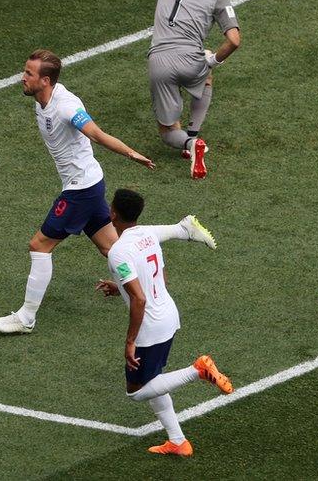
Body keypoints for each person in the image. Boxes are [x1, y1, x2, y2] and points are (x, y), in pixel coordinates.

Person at [0, 49, 216, 334]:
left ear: (45, 81)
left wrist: (132, 154)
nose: (23, 78)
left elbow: (97, 134)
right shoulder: (41, 99)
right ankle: (183, 230)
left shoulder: (66, 107)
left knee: (39, 246)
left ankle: (26, 318)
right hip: (88, 185)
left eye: (29, 74)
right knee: (111, 248)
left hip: (81, 189)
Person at [95, 188, 233, 456]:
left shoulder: (118, 252)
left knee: (136, 391)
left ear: (113, 213)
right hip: (168, 315)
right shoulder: (147, 235)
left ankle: (199, 370)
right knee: (155, 379)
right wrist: (119, 287)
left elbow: (139, 299)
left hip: (150, 328)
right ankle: (178, 441)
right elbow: (159, 280)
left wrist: (130, 340)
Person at [148, 0, 241, 179]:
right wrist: (214, 61)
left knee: (169, 133)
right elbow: (234, 40)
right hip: (191, 61)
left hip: (158, 62)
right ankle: (194, 131)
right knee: (207, 70)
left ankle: (190, 144)